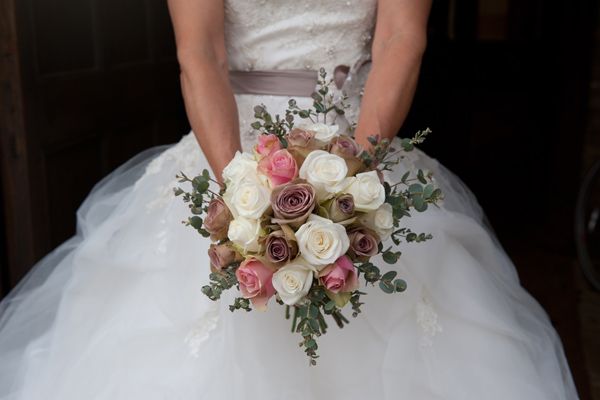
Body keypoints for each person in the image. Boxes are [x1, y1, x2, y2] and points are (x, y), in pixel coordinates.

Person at [0, 0, 579, 399]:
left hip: (360, 144)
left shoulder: (360, 166)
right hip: (232, 146)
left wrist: (355, 175)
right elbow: (199, 54)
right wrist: (239, 192)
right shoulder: (234, 178)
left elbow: (402, 36)